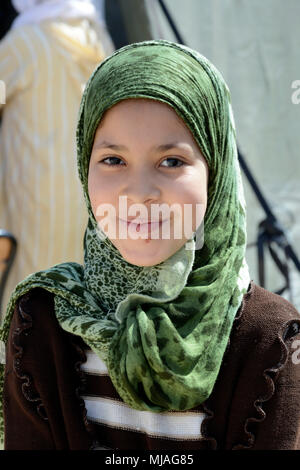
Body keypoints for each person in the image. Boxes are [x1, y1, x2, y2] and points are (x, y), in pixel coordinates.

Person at [1, 40, 300, 450]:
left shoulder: (269, 339)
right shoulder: (44, 321)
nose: (140, 193)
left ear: (216, 174)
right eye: (113, 160)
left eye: (171, 161)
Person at [0, 0, 114, 317]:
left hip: (37, 200)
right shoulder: (96, 38)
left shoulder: (23, 44)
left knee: (29, 302)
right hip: (93, 197)